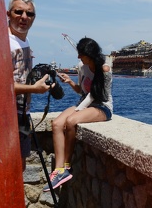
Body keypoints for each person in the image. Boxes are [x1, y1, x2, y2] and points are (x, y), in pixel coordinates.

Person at [43, 37, 113, 192]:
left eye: (81, 54)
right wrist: (69, 82)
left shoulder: (104, 69)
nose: (78, 57)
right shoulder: (82, 66)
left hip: (101, 107)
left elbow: (94, 95)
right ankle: (59, 170)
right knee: (56, 124)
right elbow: (82, 91)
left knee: (71, 121)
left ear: (90, 54)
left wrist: (77, 110)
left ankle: (66, 166)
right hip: (84, 104)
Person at [8, 0, 52, 171]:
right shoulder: (5, 43)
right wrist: (34, 88)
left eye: (29, 14)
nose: (24, 17)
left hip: (22, 113)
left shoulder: (24, 41)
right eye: (18, 12)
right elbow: (2, 86)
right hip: (8, 115)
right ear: (8, 13)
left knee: (21, 166)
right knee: (11, 168)